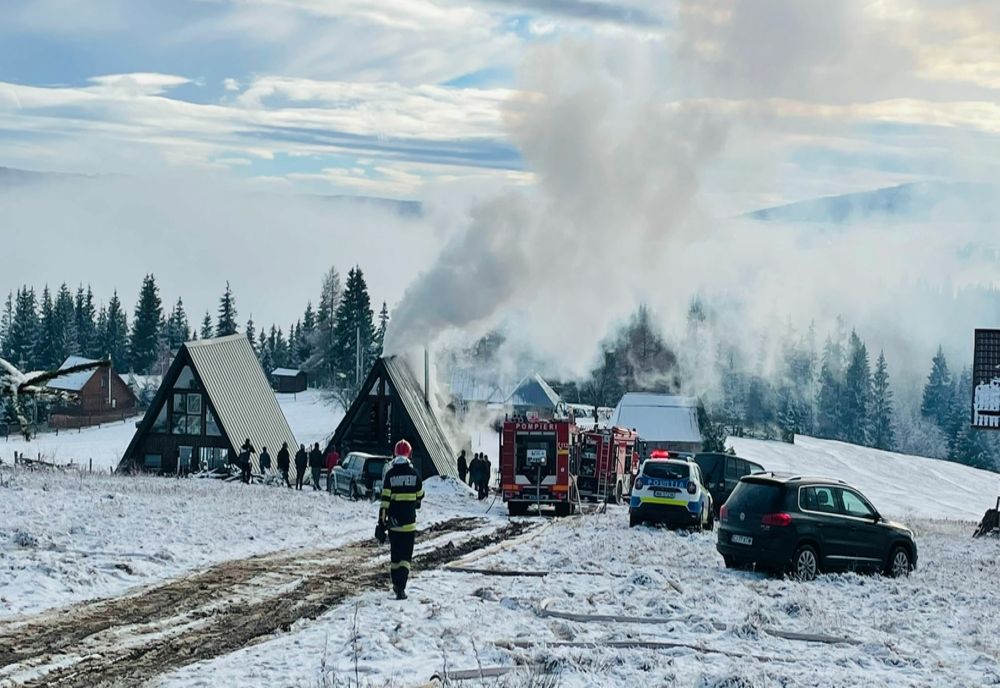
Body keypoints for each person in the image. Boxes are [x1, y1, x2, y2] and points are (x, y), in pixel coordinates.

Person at [376, 439, 424, 600]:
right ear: (409, 455)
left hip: (394, 525)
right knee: (406, 557)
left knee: (395, 557)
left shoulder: (390, 475)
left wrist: (381, 523)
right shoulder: (414, 474)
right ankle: (402, 587)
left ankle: (396, 584)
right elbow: (420, 495)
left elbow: (384, 503)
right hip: (409, 525)